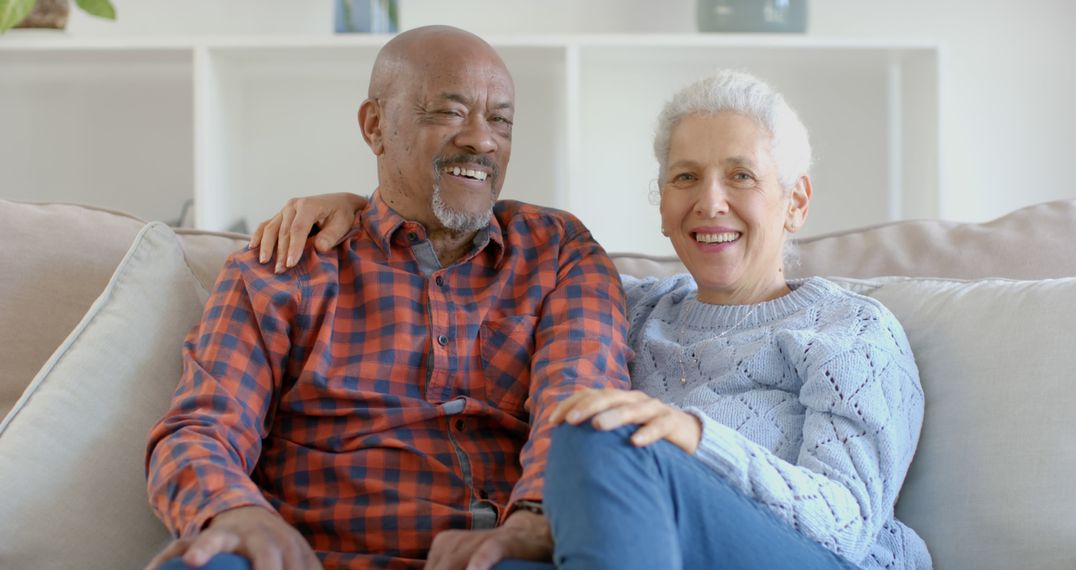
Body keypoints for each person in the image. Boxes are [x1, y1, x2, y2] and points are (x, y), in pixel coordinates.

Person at [255, 71, 931, 569]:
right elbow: (470, 271)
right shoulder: (624, 307)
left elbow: (847, 524)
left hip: (810, 559)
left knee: (598, 430)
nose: (711, 202)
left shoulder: (851, 331)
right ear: (662, 204)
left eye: (742, 177)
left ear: (796, 201)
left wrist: (692, 437)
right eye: (686, 178)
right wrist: (358, 208)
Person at [145, 25, 632, 570]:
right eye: (450, 112)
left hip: (495, 557)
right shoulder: (286, 267)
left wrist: (535, 519)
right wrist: (234, 512)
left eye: (500, 120)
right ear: (375, 125)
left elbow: (582, 406)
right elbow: (201, 428)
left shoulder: (558, 251)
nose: (482, 139)